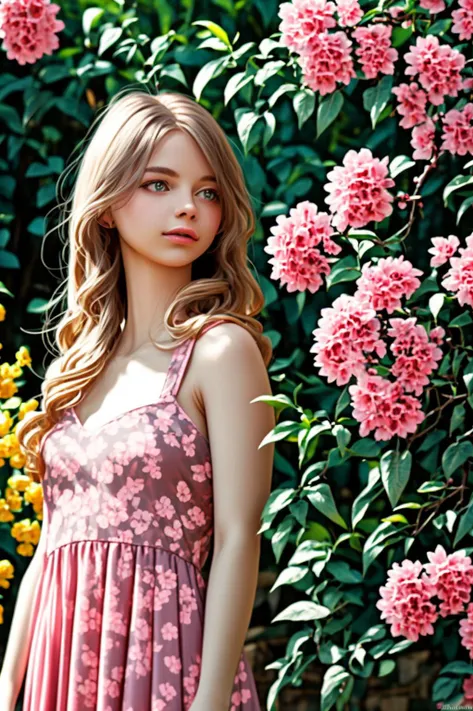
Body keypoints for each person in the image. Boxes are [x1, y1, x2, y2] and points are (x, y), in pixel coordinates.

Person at [0, 89, 275, 711]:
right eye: (159, 184)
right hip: (61, 668)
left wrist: (205, 705)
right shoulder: (79, 366)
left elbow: (238, 538)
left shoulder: (220, 352)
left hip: (168, 668)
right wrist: (7, 684)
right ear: (105, 206)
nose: (188, 208)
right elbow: (51, 543)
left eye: (208, 192)